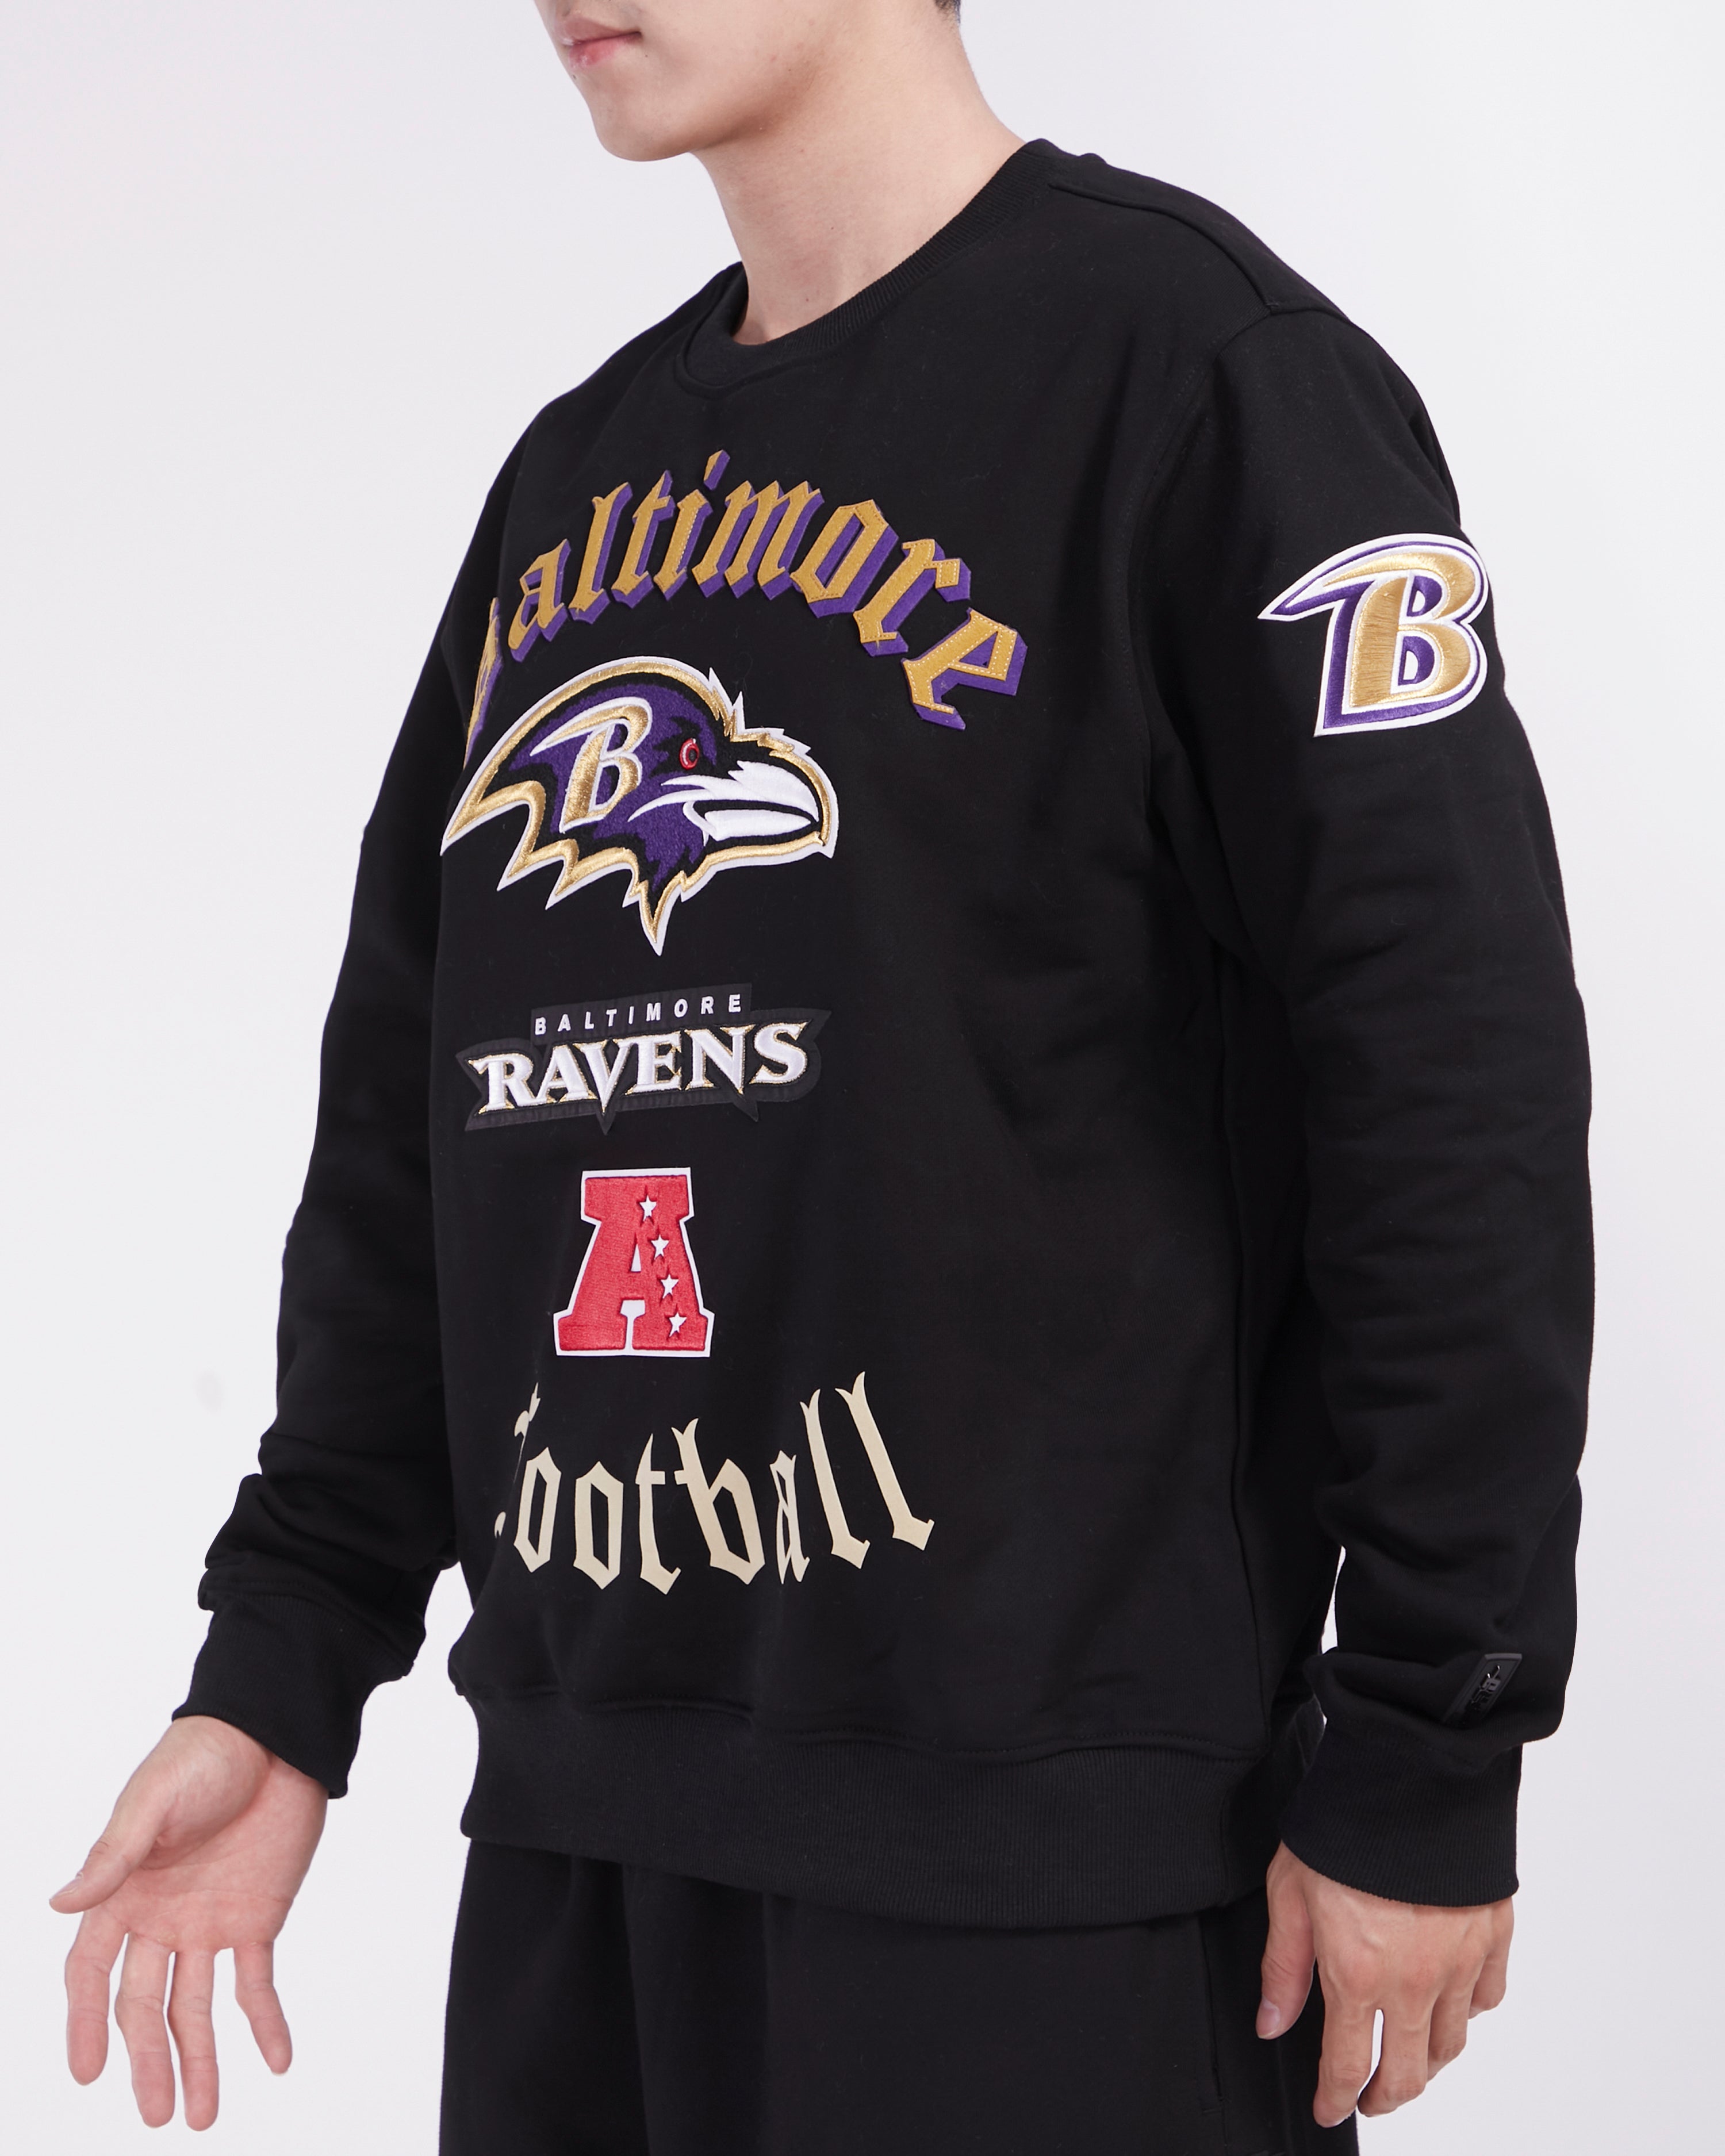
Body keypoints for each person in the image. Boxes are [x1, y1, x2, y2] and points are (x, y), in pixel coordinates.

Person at [49, 2, 1591, 2149]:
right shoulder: (574, 482)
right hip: (586, 1837)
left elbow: (1453, 1085)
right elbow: (418, 1116)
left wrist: (1432, 1737)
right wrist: (286, 1662)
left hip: (1048, 1875)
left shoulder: (1204, 380)